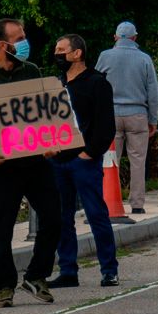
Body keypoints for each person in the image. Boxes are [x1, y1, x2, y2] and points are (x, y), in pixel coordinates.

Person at [0, 18, 61, 307]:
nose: (24, 42)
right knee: (3, 227)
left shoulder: (31, 71)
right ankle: (4, 285)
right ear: (2, 45)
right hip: (3, 166)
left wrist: (51, 141)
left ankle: (36, 274)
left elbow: (44, 112)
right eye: (18, 38)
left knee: (54, 217)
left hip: (34, 162)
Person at [49, 34, 119, 289]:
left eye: (61, 50)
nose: (57, 54)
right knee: (61, 217)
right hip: (58, 159)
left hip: (83, 161)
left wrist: (89, 152)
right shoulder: (56, 84)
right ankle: (68, 269)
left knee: (96, 214)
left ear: (77, 53)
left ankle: (109, 269)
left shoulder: (97, 83)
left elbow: (106, 124)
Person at [97, 21, 158, 213]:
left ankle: (108, 201)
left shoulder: (105, 57)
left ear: (115, 37)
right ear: (135, 38)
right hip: (137, 114)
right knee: (138, 161)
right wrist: (153, 119)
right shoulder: (144, 59)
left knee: (109, 160)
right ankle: (137, 204)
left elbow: (96, 85)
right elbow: (153, 92)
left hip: (110, 115)